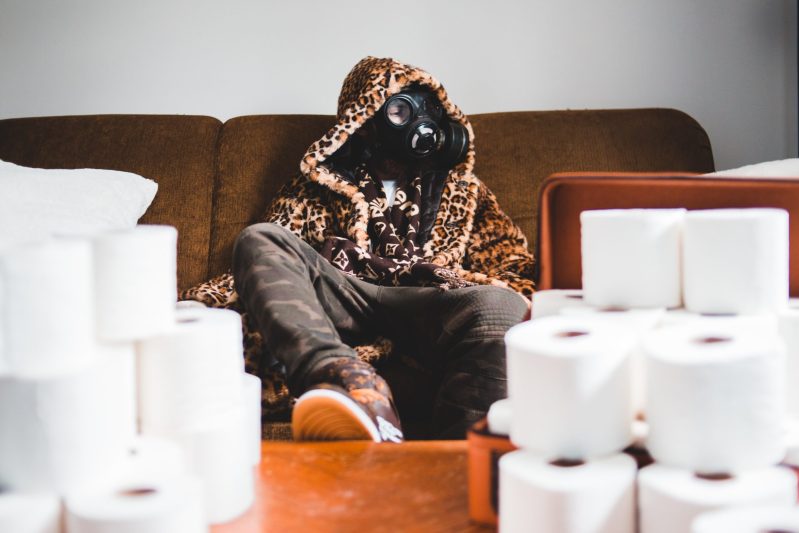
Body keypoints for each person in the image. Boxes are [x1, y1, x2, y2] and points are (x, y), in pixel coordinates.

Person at [181, 56, 535, 441]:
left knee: (503, 305)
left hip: (427, 305)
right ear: (362, 121)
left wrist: (452, 279)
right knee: (258, 238)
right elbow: (271, 262)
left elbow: (514, 268)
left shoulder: (463, 190)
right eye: (399, 110)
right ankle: (343, 377)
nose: (418, 123)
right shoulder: (316, 185)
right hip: (346, 297)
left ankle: (460, 462)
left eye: (426, 110)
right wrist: (197, 306)